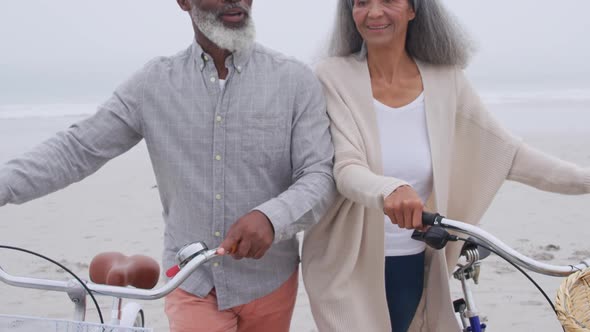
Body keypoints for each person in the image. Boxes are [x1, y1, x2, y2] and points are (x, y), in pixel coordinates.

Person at [0, 0, 336, 331]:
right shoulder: (153, 83)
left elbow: (318, 175)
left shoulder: (295, 81)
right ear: (184, 2)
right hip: (192, 281)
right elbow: (77, 148)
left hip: (271, 281)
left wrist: (271, 218)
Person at [301, 0, 590, 331]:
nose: (374, 12)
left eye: (388, 1)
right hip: (346, 264)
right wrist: (390, 188)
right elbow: (346, 167)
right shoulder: (332, 76)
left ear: (413, 9)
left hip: (416, 261)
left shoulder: (446, 79)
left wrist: (585, 180)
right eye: (361, 2)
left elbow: (509, 154)